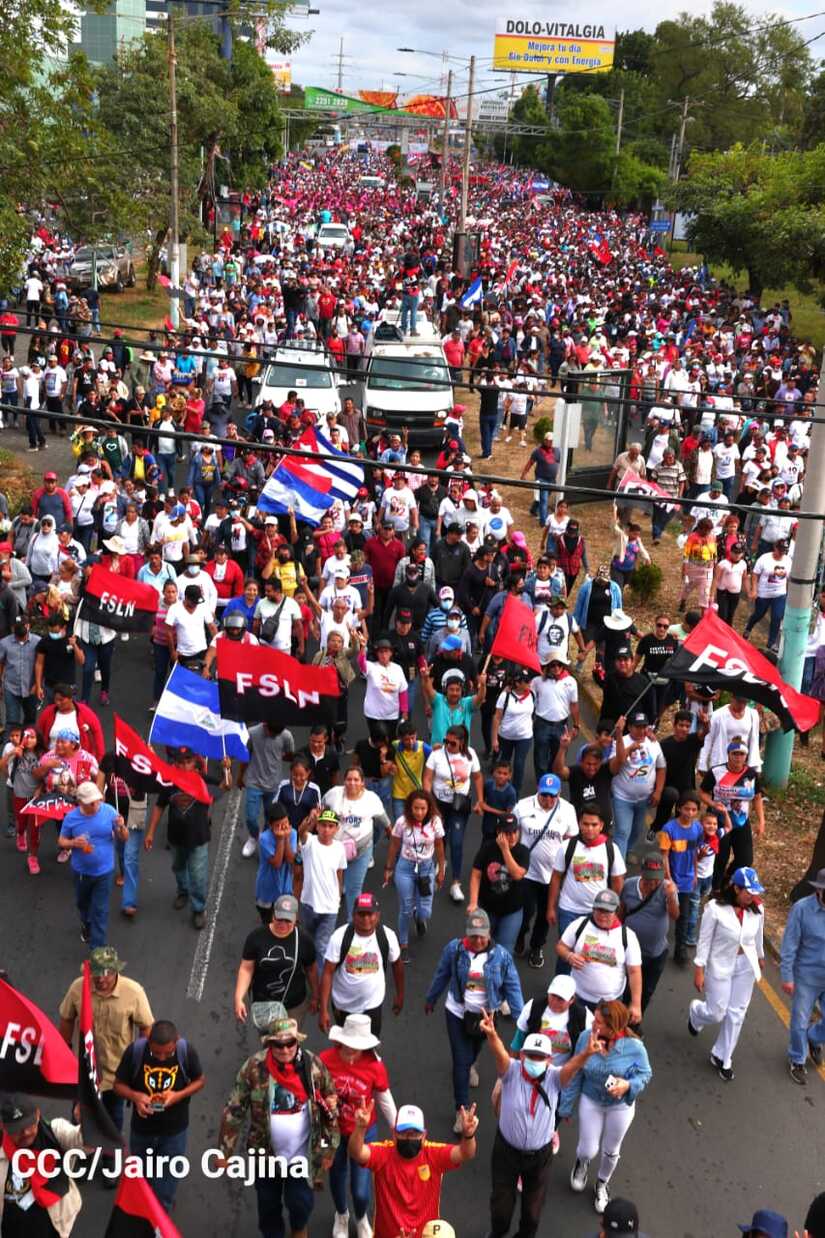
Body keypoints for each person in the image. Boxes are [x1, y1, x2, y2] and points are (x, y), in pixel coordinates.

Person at [479, 1007, 602, 1238]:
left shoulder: (555, 1077)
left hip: (539, 1157)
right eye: (531, 1056)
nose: (534, 1060)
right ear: (522, 1056)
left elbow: (571, 1068)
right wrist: (492, 1034)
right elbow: (500, 1054)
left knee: (533, 1213)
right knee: (501, 1207)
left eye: (540, 1057)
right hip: (506, 1152)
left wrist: (586, 1054)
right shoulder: (511, 1071)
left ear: (549, 1060)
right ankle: (497, 1234)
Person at [218, 1012, 340, 1238]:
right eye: (278, 1045)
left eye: (290, 1043)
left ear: (297, 1041)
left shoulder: (313, 1066)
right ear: (269, 1044)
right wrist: (224, 1152)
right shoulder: (253, 1067)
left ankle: (299, 1229)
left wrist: (330, 1149)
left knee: (300, 1203)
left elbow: (330, 1105)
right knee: (268, 1206)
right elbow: (234, 1109)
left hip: (302, 1154)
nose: (285, 1050)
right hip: (265, 1155)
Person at [425, 908, 523, 1133]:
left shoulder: (501, 957)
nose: (478, 941)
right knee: (460, 1061)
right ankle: (462, 1111)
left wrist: (522, 1021)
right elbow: (442, 974)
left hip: (486, 1018)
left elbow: (513, 987)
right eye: (473, 936)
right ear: (466, 934)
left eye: (482, 936)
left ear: (489, 934)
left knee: (473, 1053)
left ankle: (471, 1064)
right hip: (457, 1012)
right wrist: (431, 998)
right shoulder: (455, 950)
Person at [560, 1000, 652, 1216]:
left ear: (614, 1027)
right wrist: (566, 1105)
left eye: (599, 1022)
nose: (593, 1024)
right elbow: (577, 1072)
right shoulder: (586, 1037)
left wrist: (627, 1085)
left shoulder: (635, 1047)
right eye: (595, 1019)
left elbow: (645, 1073)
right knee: (587, 1149)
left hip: (620, 1107)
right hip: (591, 1100)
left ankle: (602, 1183)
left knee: (611, 1150)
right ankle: (582, 1163)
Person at [58, 946, 153, 1155]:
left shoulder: (134, 992)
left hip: (116, 1076)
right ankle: (81, 1156)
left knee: (113, 1120)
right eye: (96, 973)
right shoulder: (78, 988)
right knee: (80, 1120)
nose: (101, 979)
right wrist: (64, 1053)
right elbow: (67, 1018)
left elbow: (147, 1028)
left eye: (107, 973)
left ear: (116, 970)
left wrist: (138, 1064)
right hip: (84, 1073)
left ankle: (110, 1157)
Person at [113, 1019, 205, 1212]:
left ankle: (160, 1216)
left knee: (166, 1185)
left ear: (177, 1041)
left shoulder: (186, 1051)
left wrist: (178, 1095)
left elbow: (199, 1080)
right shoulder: (135, 1052)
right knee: (143, 1182)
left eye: (168, 1053)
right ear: (148, 1042)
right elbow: (118, 1085)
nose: (162, 1058)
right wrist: (136, 1097)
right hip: (142, 1131)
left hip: (174, 1131)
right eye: (156, 1053)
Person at [348, 1101, 478, 1238]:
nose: (409, 1138)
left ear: (423, 1135)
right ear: (394, 1134)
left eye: (415, 1134)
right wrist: (360, 1128)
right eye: (404, 1133)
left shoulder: (434, 1154)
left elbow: (465, 1153)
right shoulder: (383, 1154)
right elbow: (356, 1152)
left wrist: (468, 1135)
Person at [319, 1014, 398, 1238]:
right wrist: (325, 1102)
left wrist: (397, 1129)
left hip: (363, 1132)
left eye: (358, 1047)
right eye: (349, 1045)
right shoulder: (324, 1060)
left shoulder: (375, 1066)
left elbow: (384, 1098)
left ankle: (361, 1217)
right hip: (334, 1131)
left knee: (361, 1189)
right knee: (337, 1177)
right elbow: (313, 1093)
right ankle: (341, 1215)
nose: (353, 1051)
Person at [689, 868, 766, 1081]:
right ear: (736, 888)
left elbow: (758, 936)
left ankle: (722, 1056)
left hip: (745, 965)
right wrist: (699, 968)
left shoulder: (758, 908)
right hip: (720, 964)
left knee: (737, 1013)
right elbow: (704, 941)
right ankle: (696, 1012)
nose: (752, 896)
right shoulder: (715, 908)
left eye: (754, 892)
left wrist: (760, 956)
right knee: (716, 1013)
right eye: (748, 892)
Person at [144, 748, 232, 929]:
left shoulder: (203, 780)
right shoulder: (170, 782)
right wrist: (151, 832)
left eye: (188, 761)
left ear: (195, 763)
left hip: (198, 838)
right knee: (178, 867)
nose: (185, 766)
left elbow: (226, 785)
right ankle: (183, 891)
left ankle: (198, 909)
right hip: (175, 838)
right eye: (181, 762)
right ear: (175, 764)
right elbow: (159, 806)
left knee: (198, 875)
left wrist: (227, 769)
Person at [513, 772, 578, 969]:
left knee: (544, 914)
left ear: (559, 794)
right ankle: (520, 935)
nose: (548, 800)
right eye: (544, 795)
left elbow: (571, 840)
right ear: (538, 791)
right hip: (526, 871)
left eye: (552, 796)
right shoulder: (522, 806)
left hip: (552, 876)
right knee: (525, 911)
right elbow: (513, 833)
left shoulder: (568, 810)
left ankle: (536, 946)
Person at [320, 892, 404, 1036]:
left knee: (370, 1045)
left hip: (372, 1006)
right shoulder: (339, 937)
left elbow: (397, 965)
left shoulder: (388, 936)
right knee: (346, 1044)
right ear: (353, 915)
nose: (366, 919)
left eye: (370, 914)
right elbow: (327, 972)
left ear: (378, 915)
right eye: (361, 914)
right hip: (343, 1006)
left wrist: (400, 995)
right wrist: (323, 1010)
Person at [0, 1095, 84, 1235]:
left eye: (29, 1124)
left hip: (54, 1228)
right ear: (3, 1127)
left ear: (38, 1114)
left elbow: (83, 1142)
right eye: (17, 1128)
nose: (25, 1133)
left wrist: (87, 1121)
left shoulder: (55, 1131)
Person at [57, 781, 128, 947]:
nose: (96, 804)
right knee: (83, 904)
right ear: (81, 802)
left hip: (105, 872)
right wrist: (73, 843)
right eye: (91, 802)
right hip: (81, 872)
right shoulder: (71, 818)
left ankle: (98, 950)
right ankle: (86, 923)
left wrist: (122, 827)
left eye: (97, 800)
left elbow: (124, 838)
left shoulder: (109, 811)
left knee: (100, 911)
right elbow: (61, 841)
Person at [556, 888, 643, 1022]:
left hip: (611, 1002)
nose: (602, 915)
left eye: (607, 911)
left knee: (604, 1034)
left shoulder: (627, 936)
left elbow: (634, 971)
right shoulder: (580, 925)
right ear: (593, 909)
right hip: (578, 997)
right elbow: (561, 947)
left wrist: (636, 1004)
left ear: (616, 911)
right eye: (599, 910)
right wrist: (569, 956)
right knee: (576, 1031)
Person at [235, 893, 319, 1031]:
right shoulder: (256, 937)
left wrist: (316, 996)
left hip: (293, 1007)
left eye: (288, 920)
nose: (283, 924)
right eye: (279, 919)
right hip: (264, 1005)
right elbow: (246, 969)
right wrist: (239, 998)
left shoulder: (304, 940)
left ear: (296, 918)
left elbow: (311, 969)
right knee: (269, 1038)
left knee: (287, 1040)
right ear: (273, 915)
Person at [422, 724, 483, 904]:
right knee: (439, 838)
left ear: (462, 742)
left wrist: (480, 800)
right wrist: (430, 803)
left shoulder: (470, 754)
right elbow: (427, 778)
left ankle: (455, 883)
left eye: (453, 743)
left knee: (456, 842)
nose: (448, 745)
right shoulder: (436, 755)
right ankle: (441, 863)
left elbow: (478, 777)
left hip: (459, 805)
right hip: (439, 804)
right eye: (446, 741)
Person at [385, 789, 446, 960]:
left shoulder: (435, 822)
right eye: (416, 808)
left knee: (425, 912)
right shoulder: (402, 822)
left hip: (426, 868)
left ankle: (419, 918)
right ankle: (403, 943)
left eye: (423, 808)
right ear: (410, 808)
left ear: (429, 808)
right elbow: (394, 845)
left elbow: (439, 846)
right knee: (405, 908)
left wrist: (441, 870)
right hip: (405, 868)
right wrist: (388, 868)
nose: (419, 812)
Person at [323, 766, 391, 917]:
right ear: (344, 781)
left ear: (362, 783)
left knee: (354, 888)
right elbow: (322, 807)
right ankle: (330, 914)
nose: (352, 783)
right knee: (332, 887)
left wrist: (390, 832)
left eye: (356, 780)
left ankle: (352, 923)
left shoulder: (371, 798)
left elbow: (383, 817)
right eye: (349, 779)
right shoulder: (334, 794)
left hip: (361, 851)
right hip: (335, 850)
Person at [779, 866, 825, 1085]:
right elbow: (789, 944)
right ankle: (797, 1059)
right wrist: (787, 976)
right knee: (799, 1021)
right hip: (806, 976)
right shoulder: (801, 909)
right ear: (819, 890)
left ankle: (813, 1038)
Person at [700, 741, 764, 891]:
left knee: (745, 858)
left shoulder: (751, 774)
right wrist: (713, 803)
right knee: (720, 858)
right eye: (735, 754)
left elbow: (757, 797)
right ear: (728, 754)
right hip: (719, 821)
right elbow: (702, 792)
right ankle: (715, 889)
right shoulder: (716, 772)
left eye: (741, 754)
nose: (738, 757)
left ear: (746, 756)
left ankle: (727, 878)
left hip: (741, 821)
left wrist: (761, 821)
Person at [620, 853, 680, 1012]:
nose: (652, 883)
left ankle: (635, 1021)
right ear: (641, 872)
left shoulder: (667, 888)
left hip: (655, 954)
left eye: (656, 879)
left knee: (646, 992)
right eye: (649, 878)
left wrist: (671, 897)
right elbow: (621, 912)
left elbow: (675, 916)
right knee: (624, 989)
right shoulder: (629, 885)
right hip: (628, 951)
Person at [467, 813, 529, 957]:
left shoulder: (523, 852)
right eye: (507, 833)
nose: (512, 836)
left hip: (511, 911)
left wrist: (505, 850)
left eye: (515, 831)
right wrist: (473, 902)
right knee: (480, 946)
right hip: (487, 908)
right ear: (498, 832)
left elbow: (517, 874)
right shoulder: (487, 848)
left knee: (504, 951)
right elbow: (476, 875)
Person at [608, 712, 666, 859]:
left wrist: (658, 791)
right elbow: (613, 769)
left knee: (637, 830)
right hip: (622, 797)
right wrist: (628, 748)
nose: (641, 730)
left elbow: (661, 767)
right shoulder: (620, 742)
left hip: (644, 799)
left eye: (644, 727)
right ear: (629, 727)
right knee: (622, 832)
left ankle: (628, 850)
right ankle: (618, 866)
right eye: (637, 727)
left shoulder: (654, 743)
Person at [295, 806, 347, 963]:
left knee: (322, 946)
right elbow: (301, 832)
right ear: (317, 826)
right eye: (323, 825)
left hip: (330, 907)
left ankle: (320, 978)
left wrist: (338, 896)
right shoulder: (310, 842)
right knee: (308, 942)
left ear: (337, 829)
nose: (326, 829)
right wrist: (311, 819)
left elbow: (339, 873)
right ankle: (308, 970)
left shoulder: (339, 848)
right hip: (309, 904)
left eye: (331, 826)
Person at [658, 790, 704, 963]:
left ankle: (680, 951)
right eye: (686, 809)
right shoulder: (668, 829)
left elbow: (694, 853)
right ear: (679, 808)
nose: (690, 813)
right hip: (671, 878)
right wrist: (669, 878)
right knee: (662, 911)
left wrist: (695, 873)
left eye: (694, 810)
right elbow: (664, 856)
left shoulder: (698, 828)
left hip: (687, 879)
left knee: (683, 915)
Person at [237, 721, 295, 857]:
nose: (275, 735)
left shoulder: (286, 736)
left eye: (277, 734)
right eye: (272, 733)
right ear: (265, 725)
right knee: (251, 817)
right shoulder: (252, 733)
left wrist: (279, 756)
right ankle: (254, 837)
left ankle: (265, 840)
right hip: (254, 783)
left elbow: (291, 755)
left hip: (274, 785)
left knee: (271, 819)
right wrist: (240, 776)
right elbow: (246, 756)